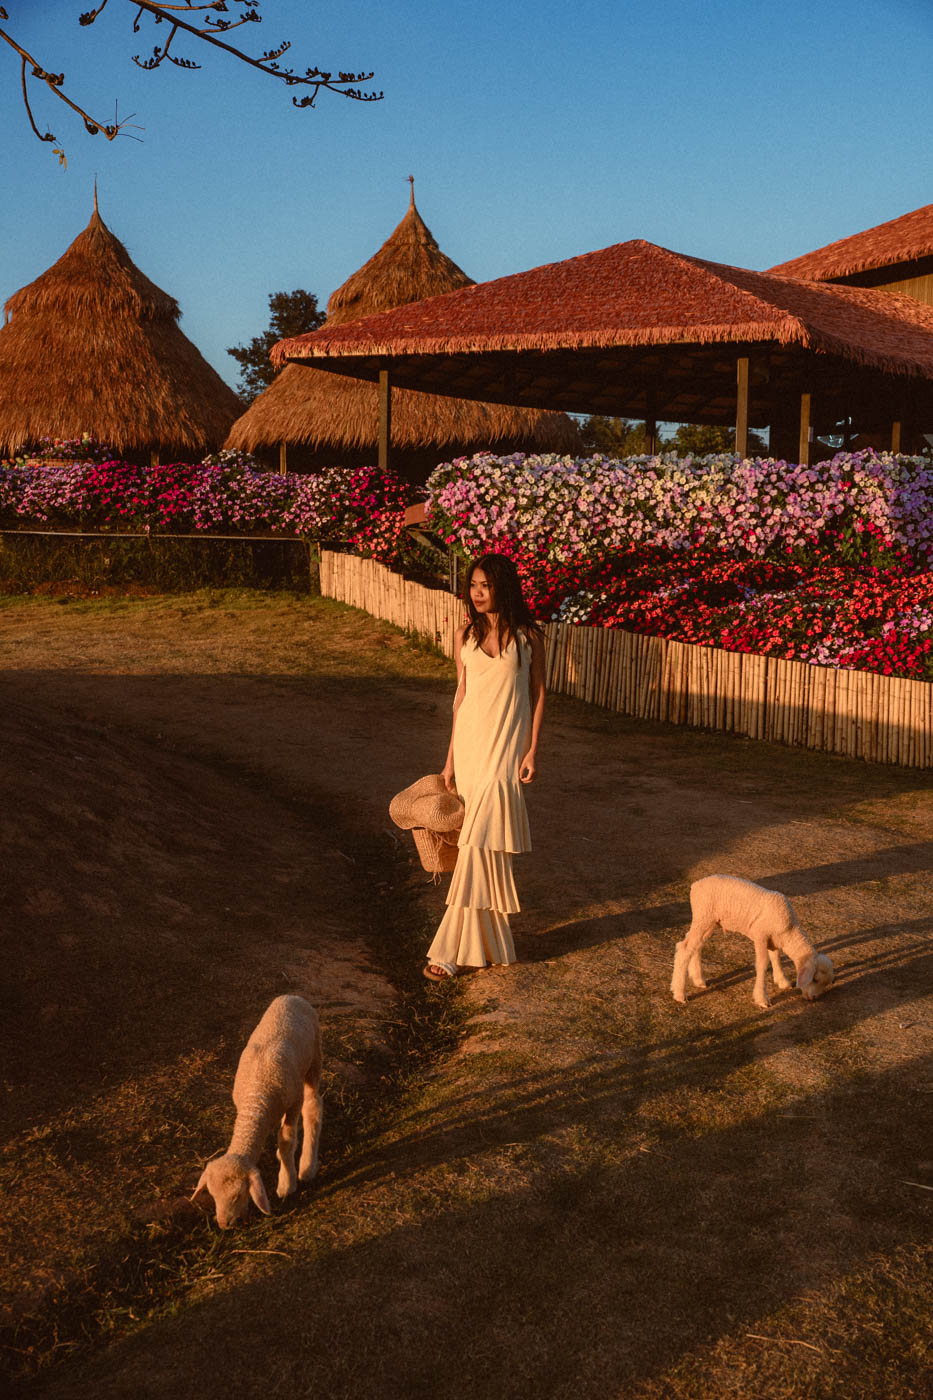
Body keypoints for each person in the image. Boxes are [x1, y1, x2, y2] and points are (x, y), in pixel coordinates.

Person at [424, 553, 546, 980]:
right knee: (479, 846)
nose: (476, 593)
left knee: (481, 844)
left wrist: (531, 751)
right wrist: (450, 759)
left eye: (485, 586)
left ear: (503, 588)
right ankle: (490, 945)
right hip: (473, 750)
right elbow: (461, 697)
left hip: (507, 751)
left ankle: (448, 951)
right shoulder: (463, 635)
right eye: (472, 585)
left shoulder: (529, 637)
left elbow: (539, 693)